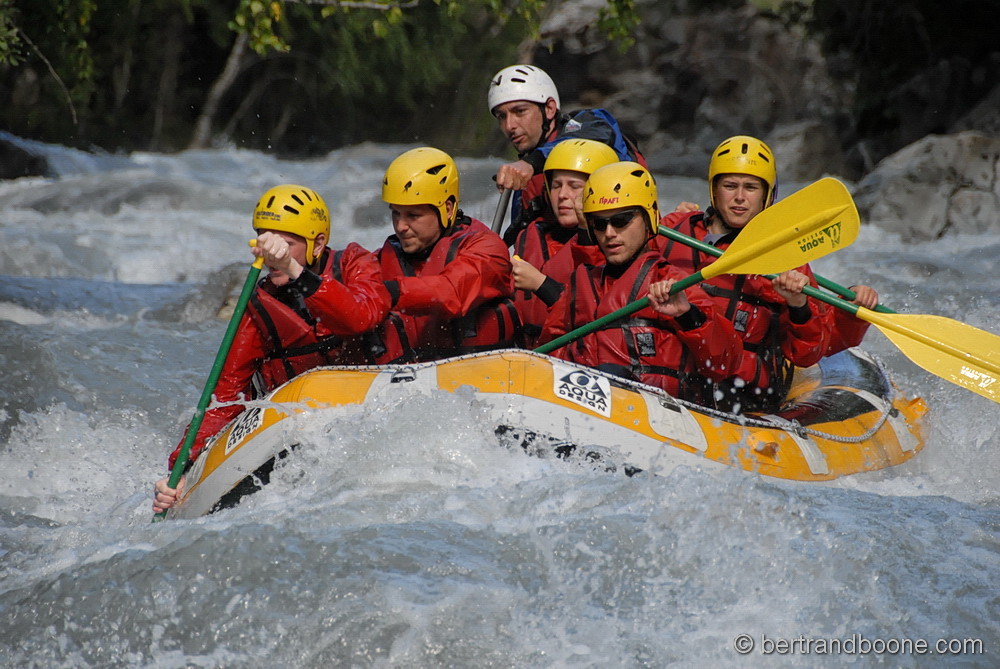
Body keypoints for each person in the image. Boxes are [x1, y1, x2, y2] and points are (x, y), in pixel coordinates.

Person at [153, 184, 391, 513]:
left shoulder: (354, 263)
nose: (273, 255)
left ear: (318, 243)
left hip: (368, 415)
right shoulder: (259, 305)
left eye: (287, 244)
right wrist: (178, 471)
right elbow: (224, 397)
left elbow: (360, 318)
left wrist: (296, 272)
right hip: (299, 429)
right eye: (266, 241)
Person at [537, 161, 742, 399]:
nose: (610, 233)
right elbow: (547, 356)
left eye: (621, 220)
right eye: (600, 224)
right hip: (587, 406)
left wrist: (687, 315)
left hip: (658, 416)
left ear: (649, 220)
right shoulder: (579, 284)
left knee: (610, 374)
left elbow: (726, 363)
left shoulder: (673, 282)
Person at [658, 136, 832, 411]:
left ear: (767, 195)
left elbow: (808, 354)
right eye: (730, 186)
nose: (740, 197)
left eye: (751, 188)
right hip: (672, 379)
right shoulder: (673, 231)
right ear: (714, 190)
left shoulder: (787, 257)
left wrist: (798, 305)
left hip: (744, 394)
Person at [357, 147, 518, 363]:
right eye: (396, 213)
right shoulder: (385, 257)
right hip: (412, 383)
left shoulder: (487, 248)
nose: (401, 226)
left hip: (483, 378)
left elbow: (452, 292)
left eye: (413, 215)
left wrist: (391, 292)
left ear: (448, 209)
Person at [487, 64, 646, 245]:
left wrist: (531, 163)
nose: (510, 126)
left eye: (520, 111)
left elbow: (590, 137)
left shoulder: (589, 123)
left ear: (549, 108)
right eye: (502, 116)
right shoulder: (528, 180)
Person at [511, 138, 619, 347]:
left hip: (582, 358)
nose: (562, 195)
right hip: (527, 353)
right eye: (556, 185)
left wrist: (542, 285)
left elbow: (595, 313)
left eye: (575, 186)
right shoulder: (531, 235)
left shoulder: (619, 245)